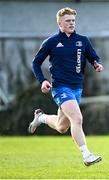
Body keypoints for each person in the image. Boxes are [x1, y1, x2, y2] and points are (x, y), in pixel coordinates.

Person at [28, 7, 103, 166]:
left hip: (77, 88)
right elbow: (36, 63)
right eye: (68, 21)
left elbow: (93, 57)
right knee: (77, 118)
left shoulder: (83, 40)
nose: (71, 23)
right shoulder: (51, 42)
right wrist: (42, 80)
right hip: (61, 87)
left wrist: (97, 64)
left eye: (73, 20)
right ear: (60, 23)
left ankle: (41, 118)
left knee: (62, 127)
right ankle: (86, 155)